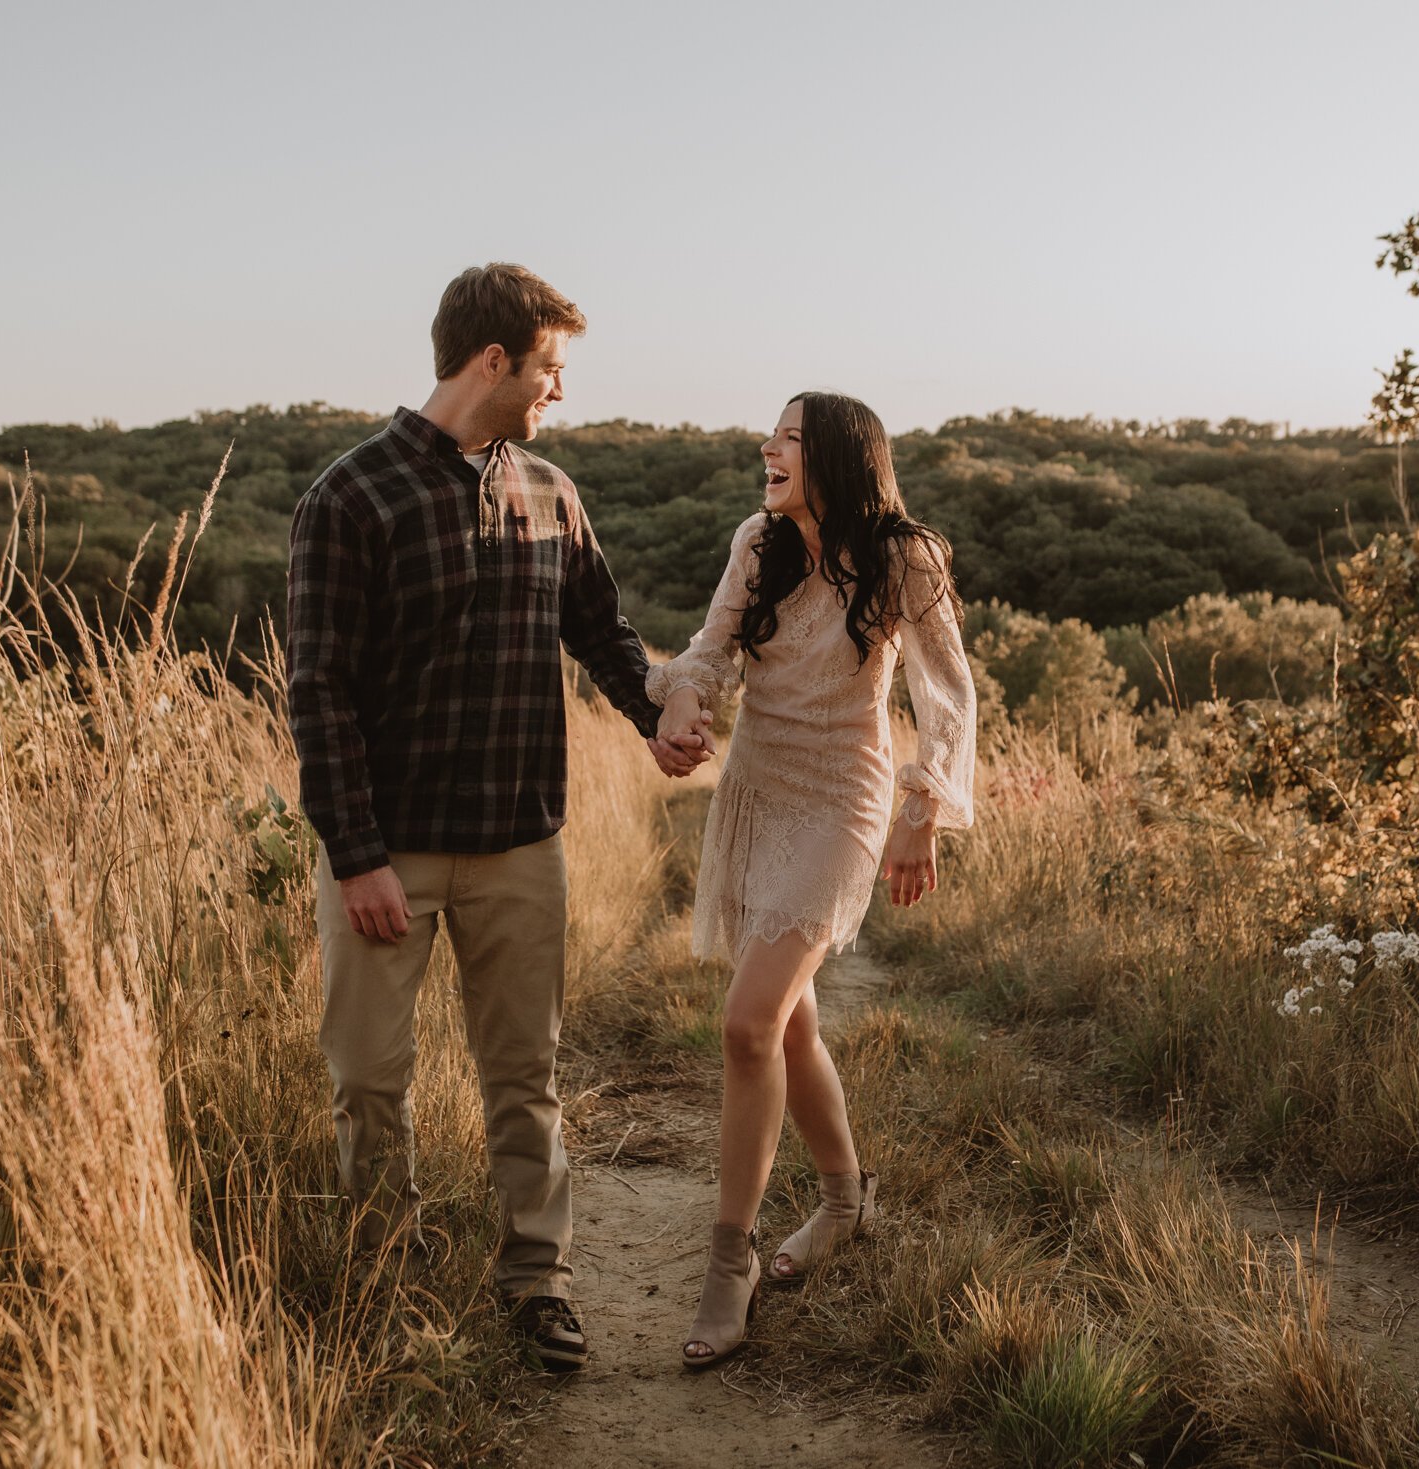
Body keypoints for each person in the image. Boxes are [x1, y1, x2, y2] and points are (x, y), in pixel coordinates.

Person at [285, 263, 707, 1374]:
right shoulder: (350, 496)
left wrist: (652, 715)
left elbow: (602, 628)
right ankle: (386, 1276)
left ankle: (539, 1281)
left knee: (525, 1074)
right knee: (371, 1078)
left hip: (522, 841)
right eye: (549, 371)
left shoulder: (551, 490)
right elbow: (317, 692)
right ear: (492, 361)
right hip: (387, 855)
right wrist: (357, 854)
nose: (555, 393)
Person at [647, 391, 976, 1369]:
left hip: (846, 794)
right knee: (790, 1023)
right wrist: (685, 704)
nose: (767, 448)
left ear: (833, 455)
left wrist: (923, 813)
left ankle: (727, 1257)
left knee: (748, 1023)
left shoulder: (902, 554)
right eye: (771, 435)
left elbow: (947, 694)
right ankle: (844, 1200)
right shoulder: (758, 539)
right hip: (757, 786)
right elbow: (709, 647)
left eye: (787, 437)